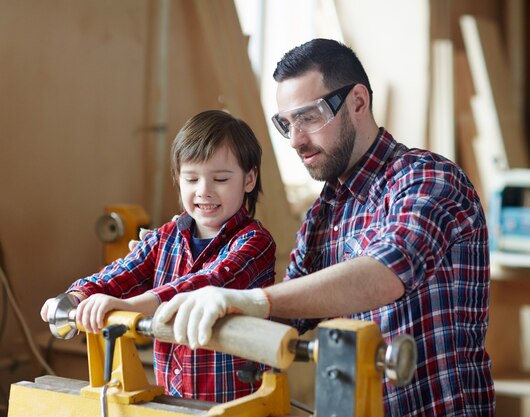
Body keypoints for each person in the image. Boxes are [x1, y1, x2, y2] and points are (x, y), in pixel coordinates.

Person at [155, 39, 494, 416]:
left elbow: (384, 273)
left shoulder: (427, 178)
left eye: (309, 117)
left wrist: (250, 299)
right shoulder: (324, 213)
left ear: (358, 103)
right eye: (287, 123)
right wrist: (199, 274)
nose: (296, 140)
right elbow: (288, 314)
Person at [40, 109, 276, 403]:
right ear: (178, 179)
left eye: (220, 179)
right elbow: (122, 272)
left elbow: (207, 284)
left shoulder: (255, 243)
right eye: (192, 179)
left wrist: (130, 305)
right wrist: (75, 297)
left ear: (249, 179)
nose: (204, 191)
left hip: (238, 402)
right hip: (175, 400)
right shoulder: (165, 237)